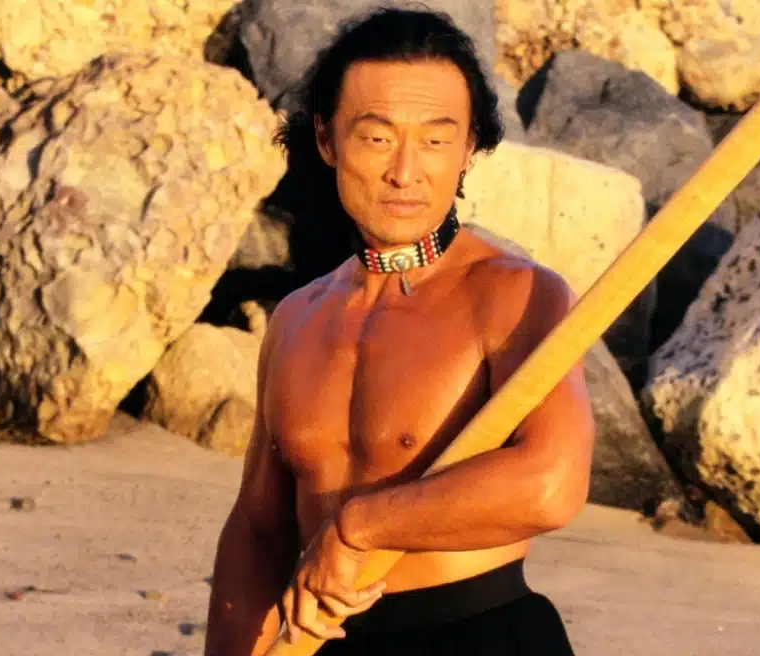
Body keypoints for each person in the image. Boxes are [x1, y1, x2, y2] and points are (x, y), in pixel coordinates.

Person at [204, 7, 595, 655]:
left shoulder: (516, 295)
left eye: (436, 141)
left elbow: (552, 485)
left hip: (480, 637)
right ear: (327, 140)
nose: (406, 172)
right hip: (326, 642)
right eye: (377, 138)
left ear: (469, 148)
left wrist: (358, 527)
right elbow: (259, 529)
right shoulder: (297, 318)